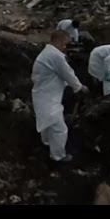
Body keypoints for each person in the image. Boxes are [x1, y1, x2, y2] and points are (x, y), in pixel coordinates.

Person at [31, 30, 89, 163]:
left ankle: (46, 144)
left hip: (42, 95)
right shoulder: (54, 56)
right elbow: (67, 73)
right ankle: (58, 156)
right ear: (61, 40)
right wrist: (79, 87)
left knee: (47, 123)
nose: (65, 47)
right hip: (48, 98)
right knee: (59, 128)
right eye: (65, 43)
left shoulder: (47, 54)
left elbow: (54, 76)